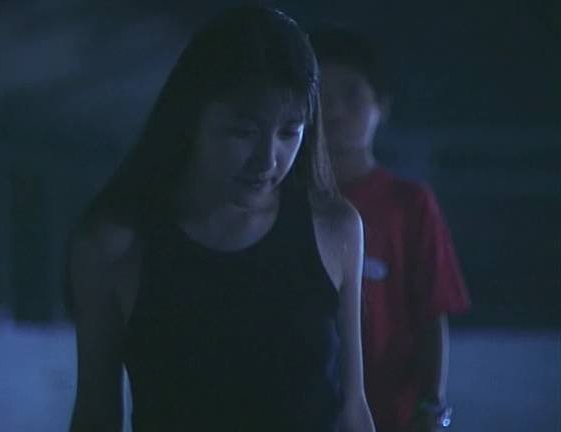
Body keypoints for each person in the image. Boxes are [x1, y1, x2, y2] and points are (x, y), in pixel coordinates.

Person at [67, 7, 375, 432]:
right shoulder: (115, 246)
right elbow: (96, 414)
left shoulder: (335, 229)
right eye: (243, 131)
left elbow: (353, 409)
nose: (268, 160)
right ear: (192, 117)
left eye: (289, 131)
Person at [310, 28, 471, 432]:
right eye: (321, 95)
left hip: (393, 416)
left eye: (351, 95)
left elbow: (431, 314)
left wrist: (430, 405)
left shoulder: (409, 204)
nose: (335, 110)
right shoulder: (286, 200)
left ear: (381, 106)